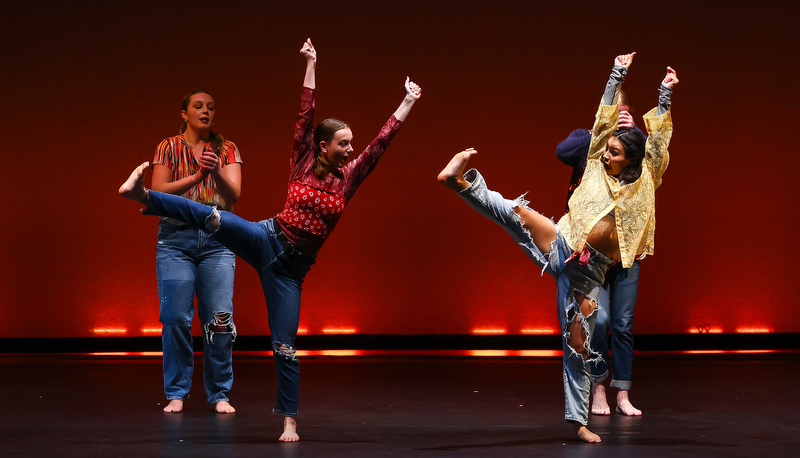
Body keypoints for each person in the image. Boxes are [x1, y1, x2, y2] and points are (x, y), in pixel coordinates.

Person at [120, 38, 422, 441]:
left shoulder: (348, 177)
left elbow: (381, 144)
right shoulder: (301, 161)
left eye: (351, 143)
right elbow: (305, 112)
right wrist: (311, 63)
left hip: (290, 271)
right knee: (213, 216)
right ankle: (141, 196)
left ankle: (289, 420)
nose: (351, 149)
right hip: (267, 237)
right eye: (343, 142)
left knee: (285, 344)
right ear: (323, 145)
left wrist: (407, 102)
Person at [437, 53, 677, 442]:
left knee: (578, 344)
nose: (606, 156)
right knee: (515, 213)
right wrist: (616, 75)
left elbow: (659, 141)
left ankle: (578, 421)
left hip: (589, 271)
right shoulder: (597, 164)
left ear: (632, 158)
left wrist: (664, 94)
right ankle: (458, 181)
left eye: (615, 152)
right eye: (607, 149)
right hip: (567, 245)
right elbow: (601, 118)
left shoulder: (646, 178)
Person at [151, 89, 243, 414]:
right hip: (176, 238)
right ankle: (176, 391)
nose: (205, 112)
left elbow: (235, 193)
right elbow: (157, 192)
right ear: (184, 113)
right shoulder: (169, 147)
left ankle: (219, 393)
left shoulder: (226, 148)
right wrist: (196, 176)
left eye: (211, 107)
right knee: (176, 317)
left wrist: (216, 170)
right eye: (198, 106)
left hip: (217, 239)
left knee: (219, 319)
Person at [556, 92, 645, 416]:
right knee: (600, 318)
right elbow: (561, 151)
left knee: (622, 324)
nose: (618, 118)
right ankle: (598, 387)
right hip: (591, 254)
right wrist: (601, 132)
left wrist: (634, 132)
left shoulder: (635, 149)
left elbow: (653, 158)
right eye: (613, 113)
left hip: (626, 252)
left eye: (624, 114)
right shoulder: (591, 145)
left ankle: (622, 393)